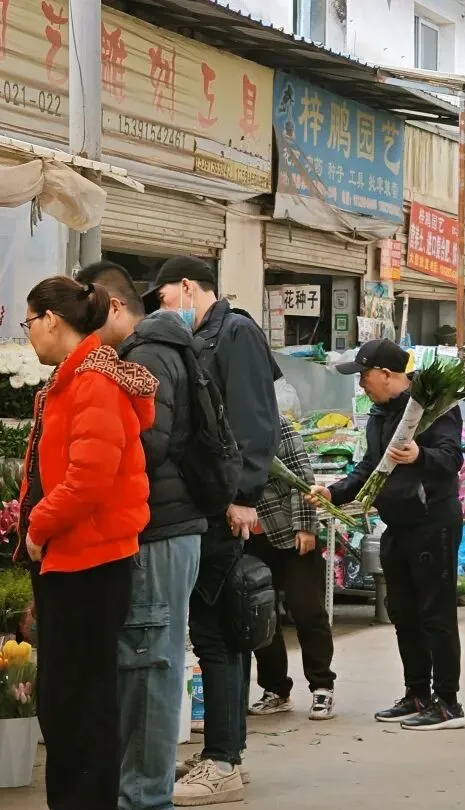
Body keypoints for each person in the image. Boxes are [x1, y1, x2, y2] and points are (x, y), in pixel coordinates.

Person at [16, 276, 157, 810]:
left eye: (29, 322)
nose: (29, 333)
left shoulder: (93, 383)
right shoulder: (74, 378)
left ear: (52, 320)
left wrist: (38, 525)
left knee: (79, 704)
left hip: (89, 563)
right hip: (73, 560)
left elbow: (88, 479)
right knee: (69, 701)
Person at [145, 256, 281, 807]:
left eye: (163, 299)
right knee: (221, 628)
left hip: (226, 504)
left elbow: (256, 419)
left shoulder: (237, 332)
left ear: (185, 286)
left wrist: (244, 496)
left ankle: (222, 761)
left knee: (217, 631)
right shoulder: (205, 336)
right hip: (210, 502)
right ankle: (226, 752)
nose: (162, 310)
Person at [76, 261, 206, 810]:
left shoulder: (145, 355)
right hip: (167, 525)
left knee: (150, 665)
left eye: (84, 311)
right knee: (148, 661)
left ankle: (145, 799)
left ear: (110, 304)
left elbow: (148, 444)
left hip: (160, 527)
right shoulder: (153, 349)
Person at [308, 339, 465, 730]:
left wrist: (420, 456)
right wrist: (334, 492)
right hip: (396, 526)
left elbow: (452, 459)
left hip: (432, 524)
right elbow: (369, 466)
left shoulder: (435, 406)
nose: (361, 384)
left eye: (363, 376)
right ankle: (417, 693)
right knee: (404, 613)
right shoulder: (379, 414)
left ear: (385, 374)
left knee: (436, 615)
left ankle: (448, 702)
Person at [246, 415, 336, 720]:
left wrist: (306, 526)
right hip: (248, 537)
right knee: (260, 614)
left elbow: (301, 476)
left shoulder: (273, 422)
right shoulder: (222, 420)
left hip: (288, 530)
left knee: (307, 608)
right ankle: (275, 689)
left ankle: (322, 686)